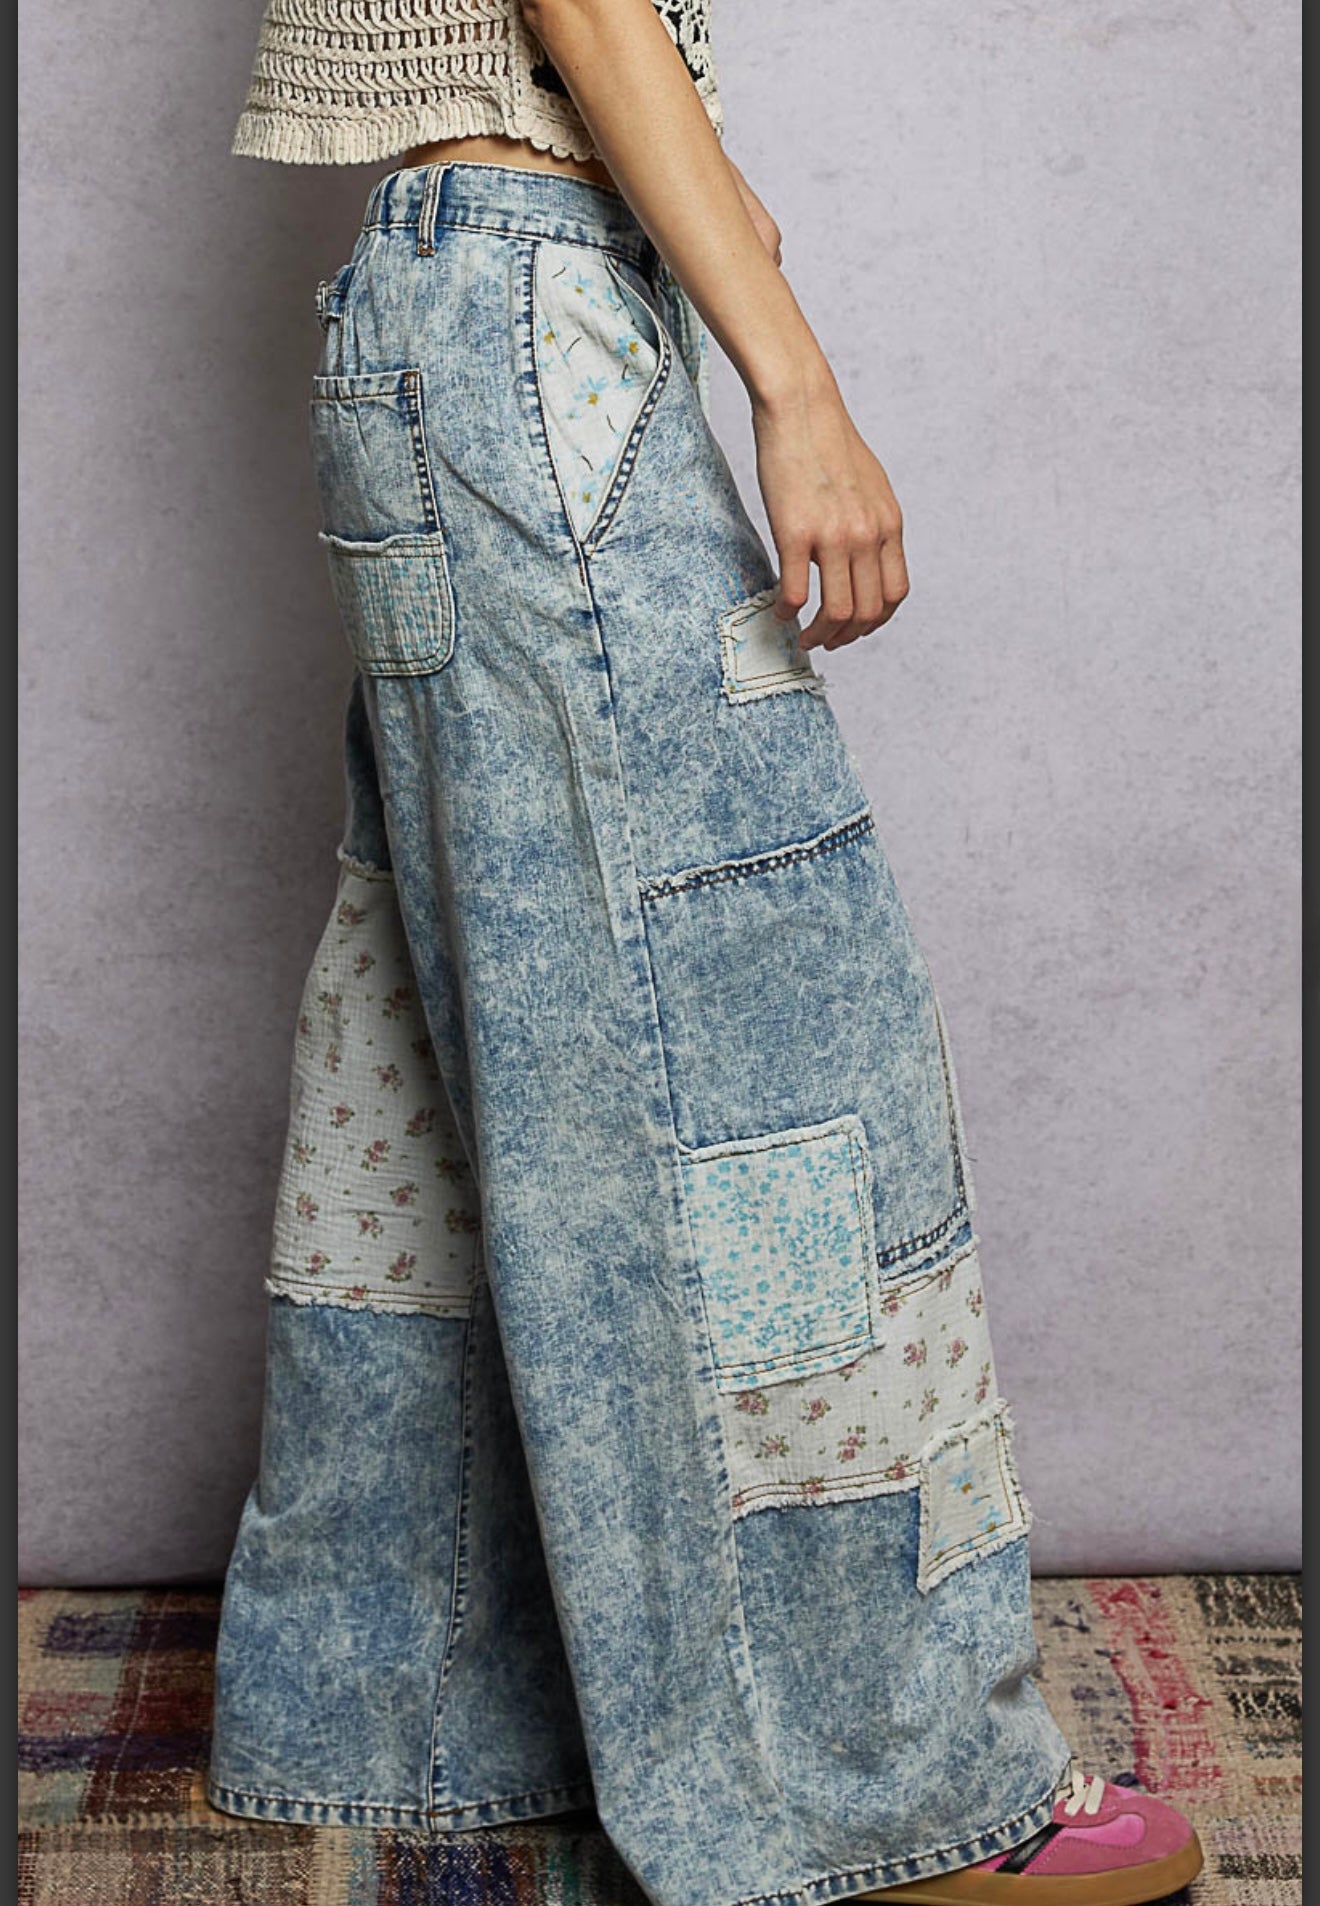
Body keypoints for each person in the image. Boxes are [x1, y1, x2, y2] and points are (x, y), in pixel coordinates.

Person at [207, 4, 1203, 1903]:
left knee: (466, 1024)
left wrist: (700, 207)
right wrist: (795, 379)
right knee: (752, 1056)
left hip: (448, 305)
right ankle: (874, 1782)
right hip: (519, 314)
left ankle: (398, 1701)